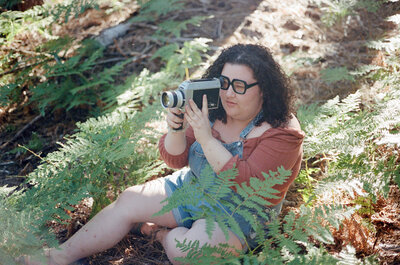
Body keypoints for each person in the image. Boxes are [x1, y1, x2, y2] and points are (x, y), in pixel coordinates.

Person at [23, 43, 304, 265]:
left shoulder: (282, 132)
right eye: (224, 82)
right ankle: (59, 257)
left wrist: (205, 137)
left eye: (240, 86)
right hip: (195, 189)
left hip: (239, 215)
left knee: (190, 253)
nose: (228, 93)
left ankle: (158, 234)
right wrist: (177, 127)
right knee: (129, 200)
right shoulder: (215, 106)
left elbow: (246, 182)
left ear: (264, 90)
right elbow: (175, 159)